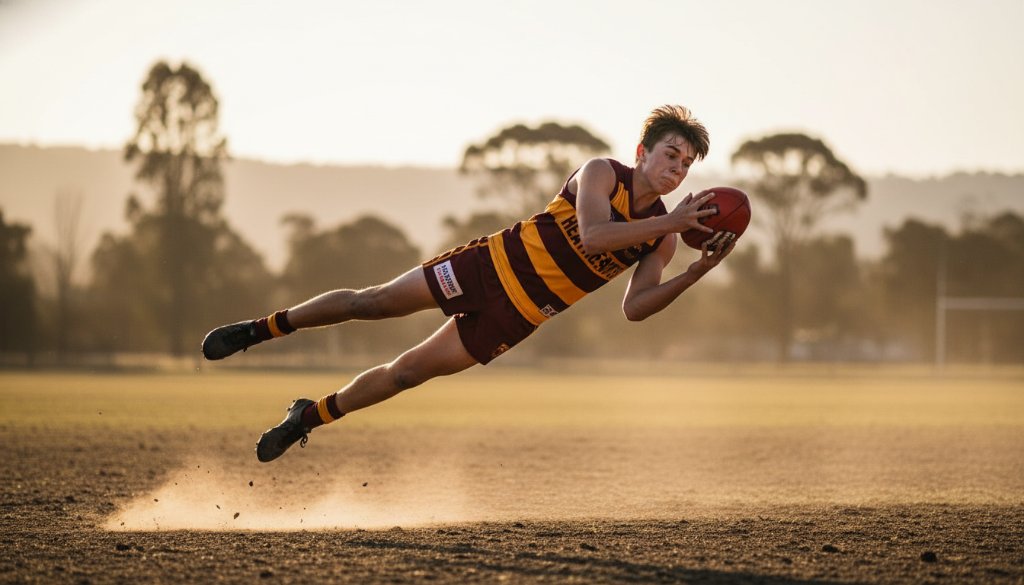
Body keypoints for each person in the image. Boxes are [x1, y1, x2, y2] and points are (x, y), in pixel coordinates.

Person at [201, 104, 735, 462]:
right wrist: (671, 222)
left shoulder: (661, 238)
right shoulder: (602, 173)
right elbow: (595, 235)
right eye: (671, 155)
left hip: (519, 315)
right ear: (642, 152)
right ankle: (261, 329)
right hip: (487, 267)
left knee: (407, 374)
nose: (678, 169)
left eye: (687, 164)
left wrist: (695, 271)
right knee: (376, 301)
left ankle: (308, 415)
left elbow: (635, 308)